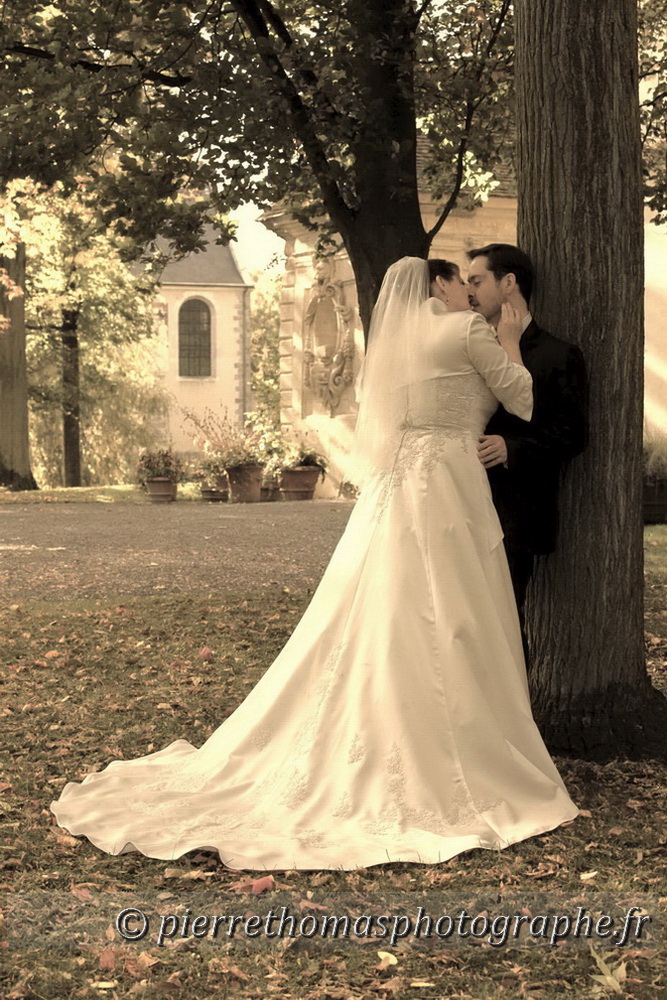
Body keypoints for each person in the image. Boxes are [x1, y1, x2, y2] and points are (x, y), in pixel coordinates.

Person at [50, 257, 578, 872]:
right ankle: (455, 749)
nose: (467, 289)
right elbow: (522, 396)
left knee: (388, 610)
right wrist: (511, 342)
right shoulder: (468, 332)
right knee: (454, 611)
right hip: (451, 485)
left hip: (397, 490)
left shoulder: (399, 343)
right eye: (460, 280)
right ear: (437, 284)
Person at [466, 244, 588, 663]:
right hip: (459, 503)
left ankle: (516, 720)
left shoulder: (558, 355)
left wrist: (511, 448)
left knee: (503, 623)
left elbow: (572, 435)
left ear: (509, 283)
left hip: (516, 512)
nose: (469, 291)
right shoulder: (467, 348)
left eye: (477, 281)